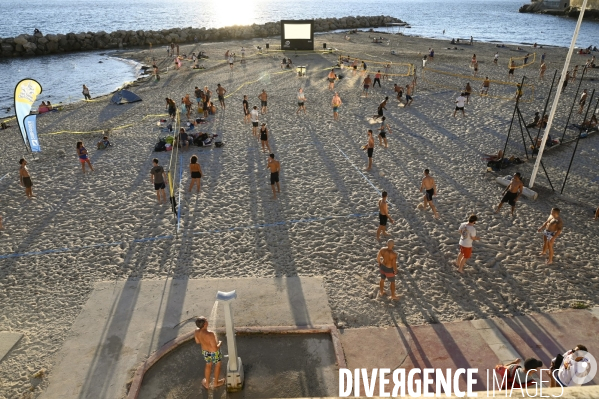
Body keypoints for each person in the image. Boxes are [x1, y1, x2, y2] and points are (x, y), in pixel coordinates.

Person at [194, 317, 225, 389]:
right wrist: (220, 343)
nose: (207, 321)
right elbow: (214, 348)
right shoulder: (210, 334)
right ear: (205, 324)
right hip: (213, 352)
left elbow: (197, 342)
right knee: (217, 365)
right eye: (206, 320)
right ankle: (216, 383)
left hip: (205, 351)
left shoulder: (196, 331)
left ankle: (207, 384)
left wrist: (205, 342)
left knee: (208, 365)